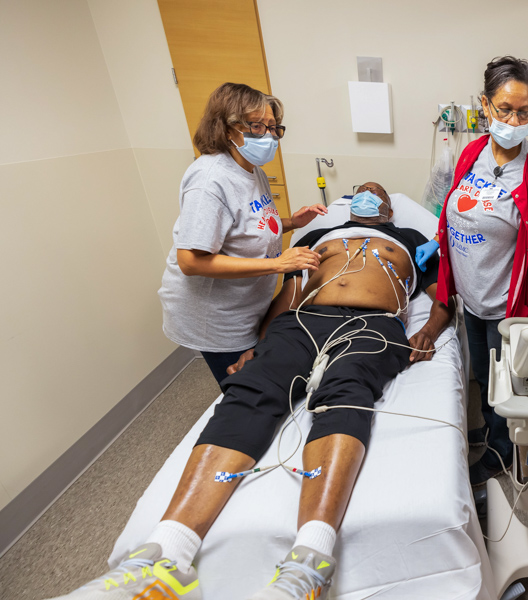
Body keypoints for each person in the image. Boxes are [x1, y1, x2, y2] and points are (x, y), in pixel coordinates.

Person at [49, 185, 454, 600]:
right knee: (250, 391)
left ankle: (309, 565)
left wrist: (427, 331)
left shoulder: (413, 240)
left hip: (373, 323)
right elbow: (289, 294)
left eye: (376, 193)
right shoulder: (317, 237)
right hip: (303, 319)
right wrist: (261, 347)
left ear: (388, 208)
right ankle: (162, 557)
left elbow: (445, 296)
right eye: (360, 191)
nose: (368, 195)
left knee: (345, 392)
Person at [416, 56, 528, 485]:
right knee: (483, 380)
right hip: (471, 297)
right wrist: (439, 239)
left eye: (524, 111)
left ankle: (501, 453)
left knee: (505, 386)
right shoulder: (472, 153)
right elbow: (456, 207)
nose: (514, 119)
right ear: (485, 106)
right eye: (504, 108)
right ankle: (490, 430)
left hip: (508, 306)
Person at [158, 82, 327, 386]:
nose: (270, 136)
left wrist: (291, 222)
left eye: (273, 127)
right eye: (257, 126)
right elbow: (191, 261)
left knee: (257, 371)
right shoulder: (210, 180)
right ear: (226, 129)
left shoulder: (251, 169)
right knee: (246, 388)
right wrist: (278, 264)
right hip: (215, 316)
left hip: (246, 306)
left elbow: (248, 226)